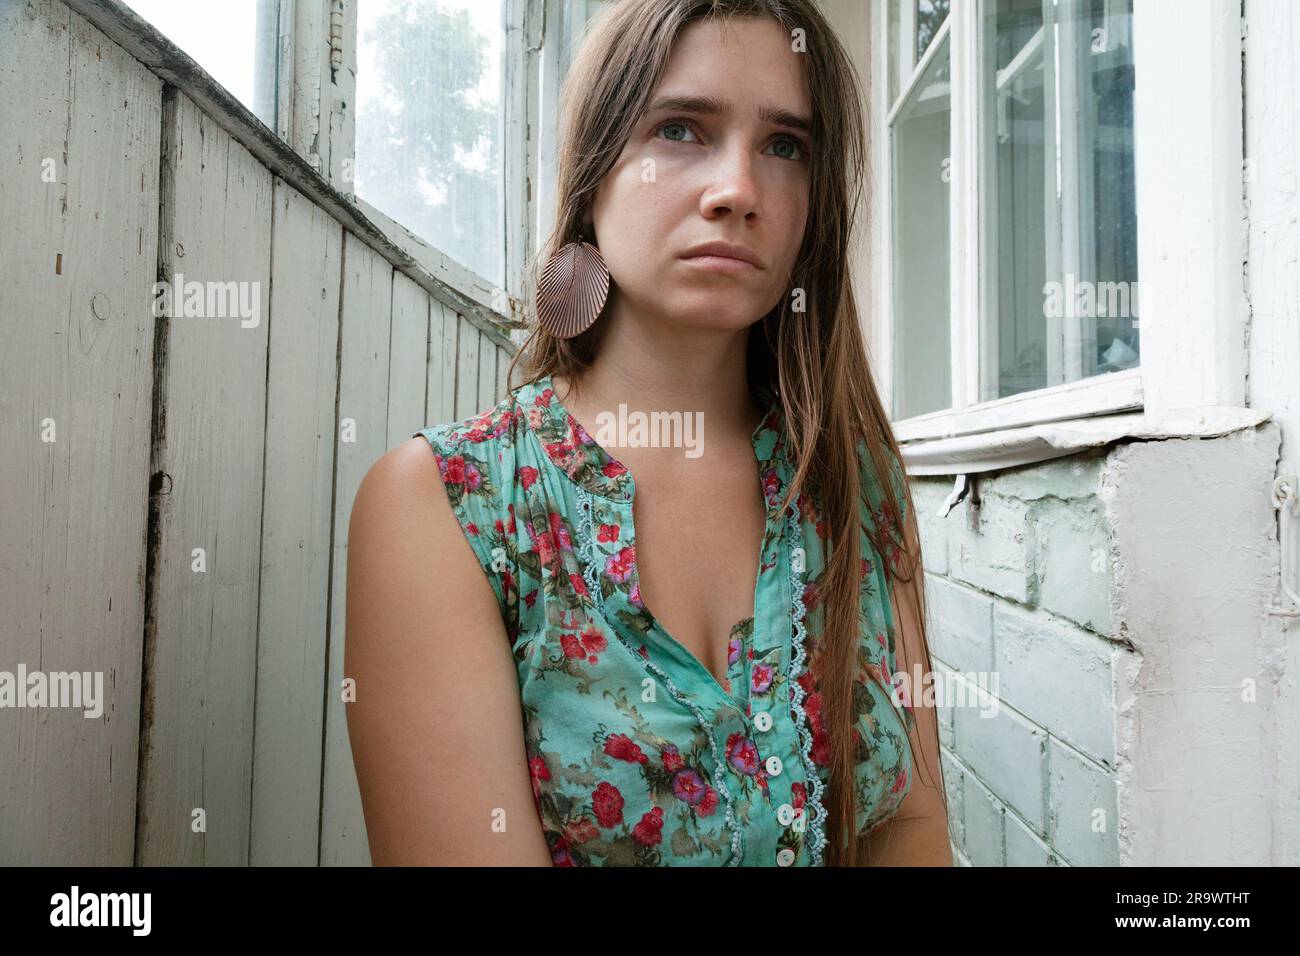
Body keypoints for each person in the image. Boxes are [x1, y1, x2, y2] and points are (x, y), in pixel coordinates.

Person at [346, 0, 951, 866]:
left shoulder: (859, 484)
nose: (737, 189)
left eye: (786, 146)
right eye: (679, 129)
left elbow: (911, 829)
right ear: (592, 180)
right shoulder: (448, 507)